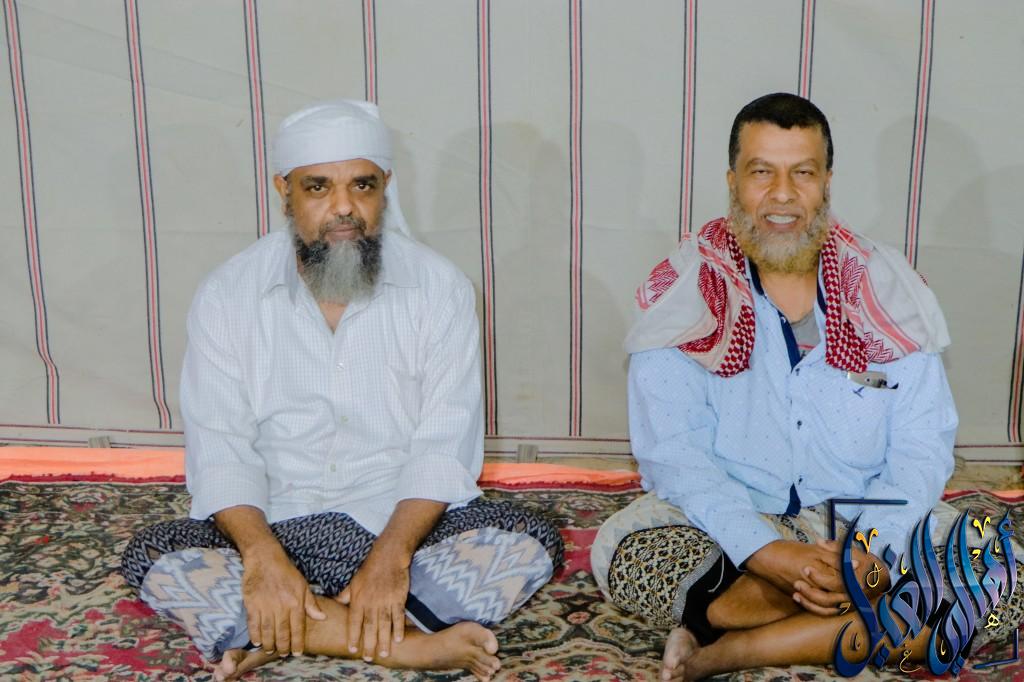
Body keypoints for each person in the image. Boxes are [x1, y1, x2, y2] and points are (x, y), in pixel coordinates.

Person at [120, 99, 563, 682]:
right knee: (155, 553)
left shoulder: (439, 289)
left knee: (528, 538)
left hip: (398, 525)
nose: (344, 208)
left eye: (362, 185)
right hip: (273, 523)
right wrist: (261, 558)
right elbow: (221, 448)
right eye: (318, 188)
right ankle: (407, 644)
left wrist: (392, 559)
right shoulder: (228, 293)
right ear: (284, 192)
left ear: (386, 188)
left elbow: (442, 448)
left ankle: (282, 632)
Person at [591, 92, 1022, 681]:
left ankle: (733, 647)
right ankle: (855, 621)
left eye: (803, 173)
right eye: (761, 172)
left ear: (826, 183)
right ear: (733, 182)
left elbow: (921, 447)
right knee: (626, 549)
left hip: (865, 515)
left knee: (1003, 577)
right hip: (737, 515)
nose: (783, 195)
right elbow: (676, 455)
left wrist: (871, 548)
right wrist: (767, 552)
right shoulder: (685, 293)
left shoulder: (890, 289)